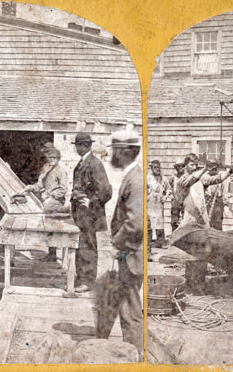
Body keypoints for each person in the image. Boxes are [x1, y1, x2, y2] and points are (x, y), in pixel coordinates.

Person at [96, 129, 143, 358]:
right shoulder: (132, 175)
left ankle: (136, 357)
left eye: (115, 150)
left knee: (130, 311)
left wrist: (116, 243)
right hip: (129, 253)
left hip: (131, 254)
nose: (112, 155)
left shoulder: (135, 179)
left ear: (126, 151)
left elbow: (135, 224)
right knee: (126, 306)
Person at [70, 132, 112, 293]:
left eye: (77, 145)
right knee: (81, 244)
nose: (76, 148)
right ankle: (81, 277)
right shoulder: (82, 163)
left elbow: (106, 191)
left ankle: (88, 281)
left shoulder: (95, 164)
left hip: (89, 213)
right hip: (80, 213)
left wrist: (90, 202)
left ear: (84, 146)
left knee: (88, 245)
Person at [176, 154, 233, 227]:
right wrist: (205, 168)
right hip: (187, 216)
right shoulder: (182, 179)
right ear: (185, 165)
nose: (194, 167)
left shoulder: (201, 178)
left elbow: (217, 179)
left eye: (196, 165)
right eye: (192, 165)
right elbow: (191, 180)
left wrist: (229, 172)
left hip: (200, 216)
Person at [147, 160, 171, 251]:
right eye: (155, 167)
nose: (157, 169)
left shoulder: (163, 178)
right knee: (148, 223)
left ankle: (160, 242)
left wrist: (165, 197)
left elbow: (169, 189)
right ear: (152, 168)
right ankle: (148, 243)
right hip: (149, 203)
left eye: (158, 167)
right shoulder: (148, 178)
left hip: (158, 204)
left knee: (159, 222)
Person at [204, 162, 230, 231]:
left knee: (218, 223)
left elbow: (224, 191)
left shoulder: (221, 177)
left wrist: (226, 205)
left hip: (218, 202)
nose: (213, 170)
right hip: (207, 201)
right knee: (207, 222)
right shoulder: (205, 176)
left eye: (214, 169)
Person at [168, 159, 185, 231]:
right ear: (176, 168)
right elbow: (169, 188)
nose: (180, 168)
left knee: (186, 220)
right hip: (175, 202)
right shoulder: (173, 178)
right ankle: (174, 234)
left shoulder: (186, 177)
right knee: (174, 221)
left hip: (185, 201)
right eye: (178, 166)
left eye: (182, 166)